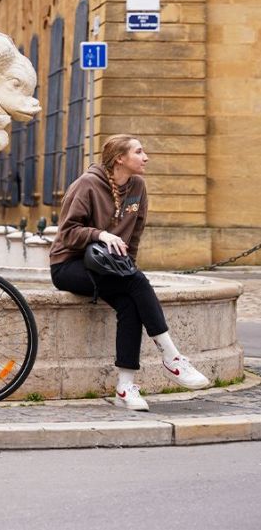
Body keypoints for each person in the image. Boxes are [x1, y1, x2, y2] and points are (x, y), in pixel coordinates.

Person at [49, 134, 209, 411]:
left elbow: (134, 236)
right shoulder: (87, 185)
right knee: (135, 284)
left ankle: (125, 386)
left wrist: (128, 266)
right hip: (69, 265)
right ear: (119, 159)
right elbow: (67, 234)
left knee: (130, 302)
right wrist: (101, 234)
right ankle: (172, 357)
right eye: (139, 152)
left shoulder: (137, 186)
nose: (145, 157)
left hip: (110, 268)